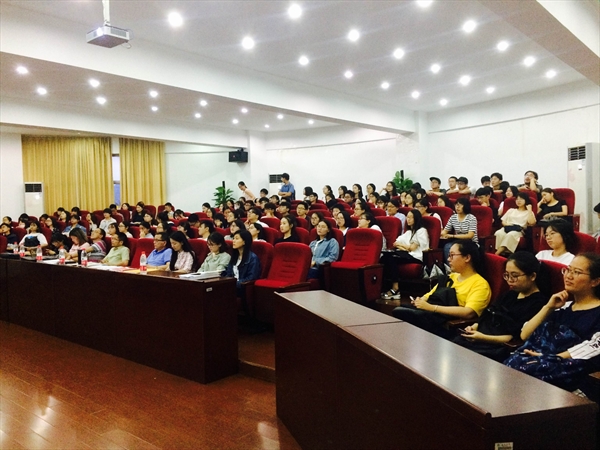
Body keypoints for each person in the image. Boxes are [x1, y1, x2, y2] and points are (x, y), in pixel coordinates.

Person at [504, 254, 600, 394]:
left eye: (577, 272)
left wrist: (552, 358)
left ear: (595, 281)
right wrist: (548, 307)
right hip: (542, 363)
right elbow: (525, 335)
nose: (568, 276)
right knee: (510, 368)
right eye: (568, 270)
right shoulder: (562, 306)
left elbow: (594, 347)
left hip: (573, 374)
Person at [454, 252, 548, 361]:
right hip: (479, 338)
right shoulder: (510, 294)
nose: (509, 280)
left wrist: (482, 337)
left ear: (532, 276)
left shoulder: (538, 303)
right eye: (507, 275)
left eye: (515, 276)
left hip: (495, 347)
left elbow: (513, 337)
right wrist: (474, 327)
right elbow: (488, 314)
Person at [392, 241, 491, 339]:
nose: (448, 259)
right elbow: (430, 295)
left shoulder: (480, 284)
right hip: (433, 315)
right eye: (448, 256)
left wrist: (431, 308)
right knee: (402, 311)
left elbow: (468, 312)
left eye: (452, 255)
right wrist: (420, 301)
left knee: (403, 315)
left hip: (449, 324)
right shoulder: (451, 276)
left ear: (467, 258)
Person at [382, 209, 430, 300]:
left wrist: (405, 247)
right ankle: (384, 286)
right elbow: (395, 243)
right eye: (407, 217)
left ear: (416, 219)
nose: (408, 219)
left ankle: (395, 288)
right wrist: (406, 247)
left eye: (411, 217)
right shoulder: (409, 232)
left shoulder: (421, 231)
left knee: (392, 258)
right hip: (408, 254)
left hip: (417, 256)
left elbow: (412, 248)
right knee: (385, 257)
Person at [224, 230, 261, 296]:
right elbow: (229, 273)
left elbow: (251, 278)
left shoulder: (253, 258)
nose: (233, 241)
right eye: (233, 238)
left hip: (242, 288)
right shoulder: (234, 257)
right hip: (231, 287)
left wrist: (234, 283)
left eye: (237, 238)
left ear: (244, 242)